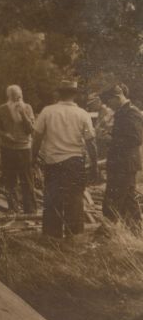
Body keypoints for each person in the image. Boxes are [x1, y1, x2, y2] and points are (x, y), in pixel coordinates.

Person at [32, 80, 99, 239]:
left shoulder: (47, 111)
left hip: (53, 163)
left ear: (58, 94)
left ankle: (52, 237)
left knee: (52, 201)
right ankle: (74, 237)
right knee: (75, 200)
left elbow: (37, 138)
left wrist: (32, 159)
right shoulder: (82, 114)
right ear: (74, 95)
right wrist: (94, 165)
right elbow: (91, 143)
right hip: (75, 163)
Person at [100, 84, 143, 230]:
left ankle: (105, 233)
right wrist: (111, 136)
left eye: (109, 102)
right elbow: (126, 136)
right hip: (123, 163)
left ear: (117, 97)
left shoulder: (131, 112)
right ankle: (136, 232)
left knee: (112, 200)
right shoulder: (123, 112)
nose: (108, 106)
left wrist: (111, 140)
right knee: (128, 201)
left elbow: (136, 138)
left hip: (124, 164)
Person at [0, 85, 37, 215]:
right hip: (8, 149)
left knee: (27, 180)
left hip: (24, 148)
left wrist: (23, 113)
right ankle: (13, 209)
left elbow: (31, 130)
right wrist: (6, 135)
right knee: (10, 180)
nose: (18, 98)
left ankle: (30, 210)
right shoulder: (2, 109)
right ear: (9, 96)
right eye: (14, 96)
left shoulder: (27, 108)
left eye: (19, 95)